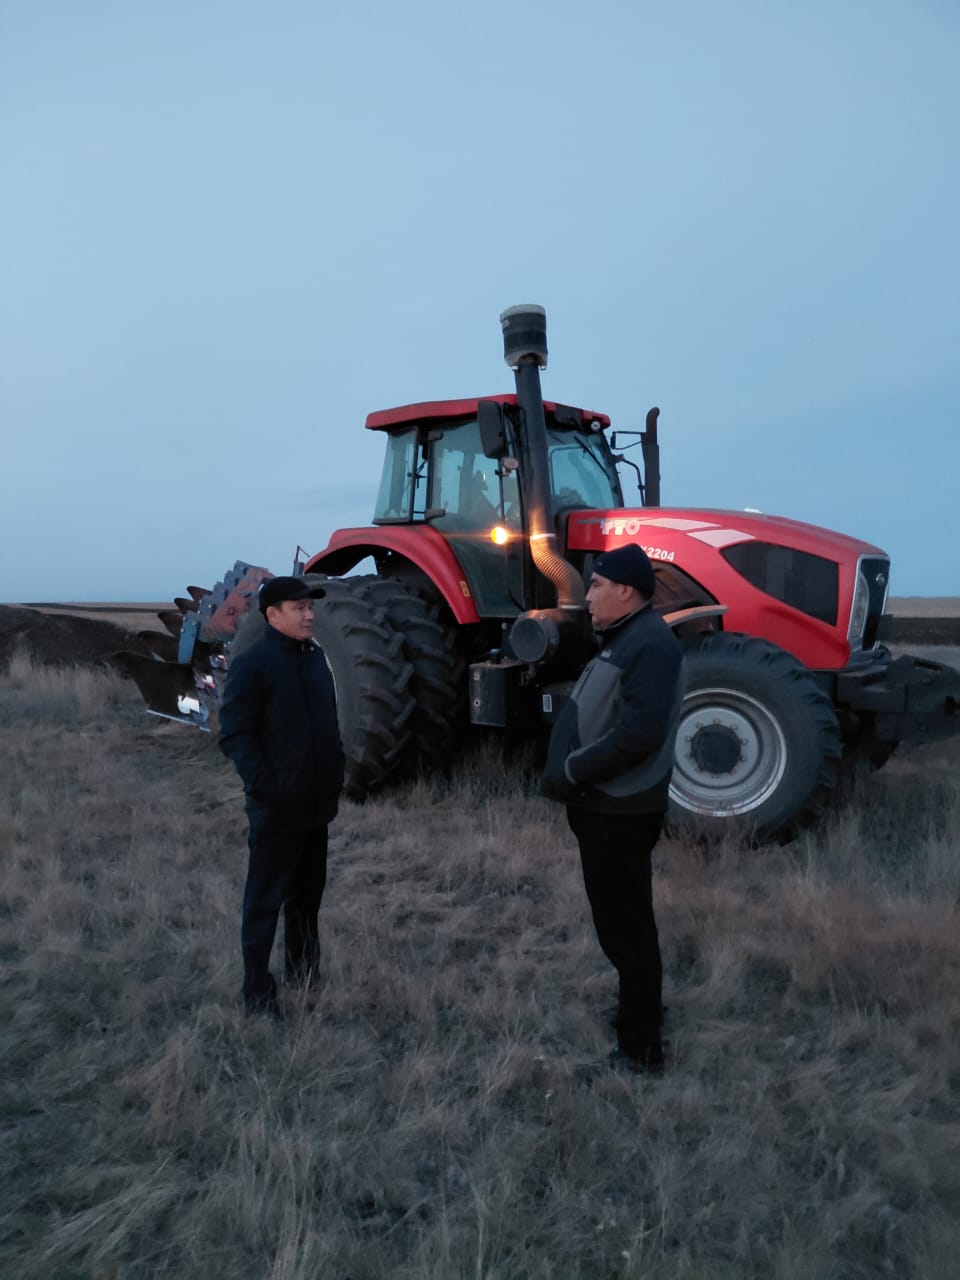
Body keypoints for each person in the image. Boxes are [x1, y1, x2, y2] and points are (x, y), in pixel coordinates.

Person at [541, 544, 684, 1074]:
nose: (588, 594)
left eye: (597, 585)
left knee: (626, 926)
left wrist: (576, 769)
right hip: (604, 806)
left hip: (618, 809)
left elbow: (640, 732)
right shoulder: (627, 638)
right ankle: (636, 1010)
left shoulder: (648, 644)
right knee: (621, 923)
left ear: (626, 590)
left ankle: (641, 1050)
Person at [219, 575, 344, 1017]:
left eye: (310, 607)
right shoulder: (254, 665)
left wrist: (334, 772)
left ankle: (304, 971)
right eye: (299, 608)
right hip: (277, 808)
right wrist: (264, 785)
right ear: (273, 615)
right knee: (264, 902)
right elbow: (235, 732)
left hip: (316, 806)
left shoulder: (316, 660)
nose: (310, 614)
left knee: (307, 897)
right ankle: (257, 992)